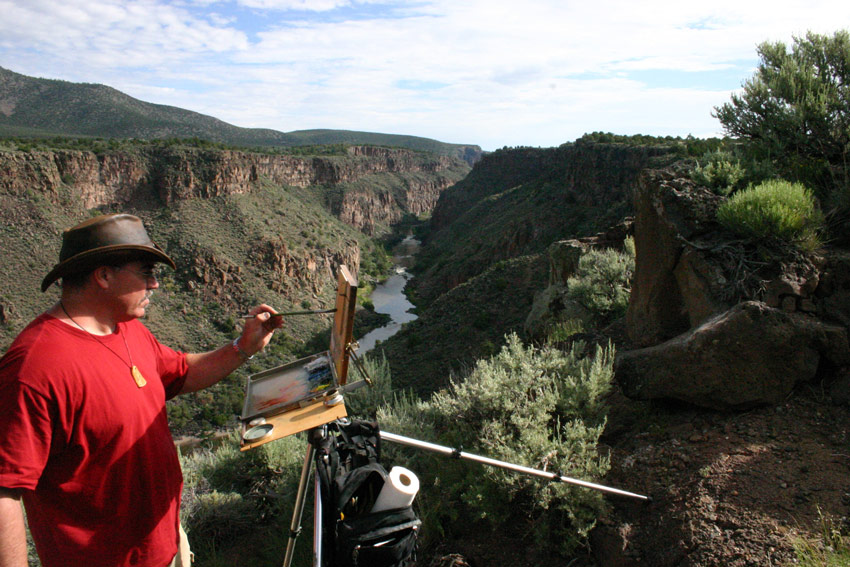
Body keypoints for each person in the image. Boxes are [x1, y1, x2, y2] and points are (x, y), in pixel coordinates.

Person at [0, 213, 284, 567]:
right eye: (146, 271)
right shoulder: (35, 367)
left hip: (164, 546)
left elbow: (180, 373)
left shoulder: (125, 329)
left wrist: (243, 347)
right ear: (103, 275)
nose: (155, 285)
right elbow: (4, 489)